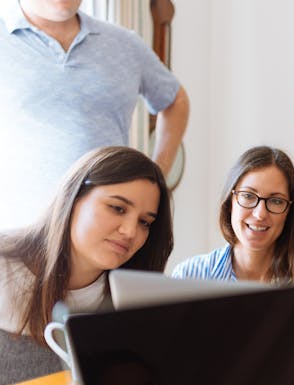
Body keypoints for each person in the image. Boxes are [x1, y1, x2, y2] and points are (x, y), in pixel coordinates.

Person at [0, 0, 190, 231]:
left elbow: (175, 100)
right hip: (17, 233)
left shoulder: (124, 44)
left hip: (111, 234)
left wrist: (156, 176)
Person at [0, 146, 173, 385]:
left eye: (144, 222)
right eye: (117, 208)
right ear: (73, 197)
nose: (130, 231)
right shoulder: (4, 264)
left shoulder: (132, 299)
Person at [172, 147, 294, 297]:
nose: (260, 214)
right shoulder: (188, 276)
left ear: (289, 211)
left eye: (276, 201)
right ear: (231, 202)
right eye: (248, 196)